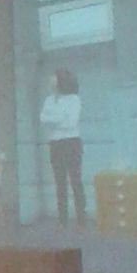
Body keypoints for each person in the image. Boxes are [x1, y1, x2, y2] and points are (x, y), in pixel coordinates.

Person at [39, 66, 85, 225]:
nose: (50, 80)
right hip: (55, 144)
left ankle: (81, 218)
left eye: (53, 77)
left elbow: (71, 123)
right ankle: (62, 219)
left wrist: (54, 118)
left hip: (71, 142)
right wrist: (60, 117)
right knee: (59, 182)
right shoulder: (49, 100)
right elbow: (43, 119)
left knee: (75, 180)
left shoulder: (74, 99)